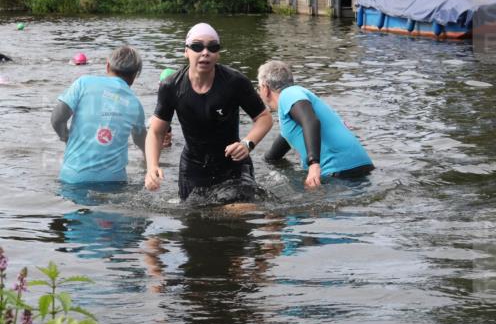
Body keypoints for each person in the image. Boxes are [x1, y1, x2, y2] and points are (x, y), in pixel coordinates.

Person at [145, 22, 273, 202]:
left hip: (233, 165)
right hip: (193, 168)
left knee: (242, 212)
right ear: (186, 51)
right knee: (195, 219)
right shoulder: (171, 86)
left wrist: (247, 144)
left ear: (217, 54)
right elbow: (156, 131)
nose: (205, 52)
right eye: (197, 47)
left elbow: (264, 118)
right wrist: (152, 167)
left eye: (212, 47)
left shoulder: (234, 82)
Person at [257, 60, 374, 188]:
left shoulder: (289, 94)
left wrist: (313, 164)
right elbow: (272, 157)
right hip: (362, 169)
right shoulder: (292, 115)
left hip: (340, 173)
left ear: (265, 88)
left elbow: (310, 121)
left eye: (259, 88)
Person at [51, 45, 147, 183]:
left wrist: (67, 139)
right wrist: (148, 166)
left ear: (107, 66)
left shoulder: (83, 83)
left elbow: (56, 120)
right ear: (135, 76)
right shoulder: (134, 103)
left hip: (73, 179)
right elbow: (142, 141)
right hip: (113, 182)